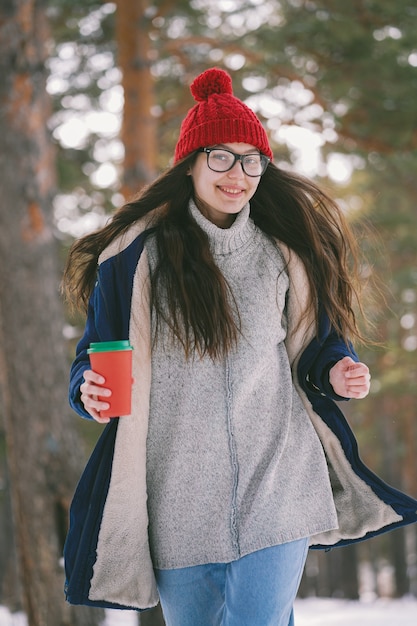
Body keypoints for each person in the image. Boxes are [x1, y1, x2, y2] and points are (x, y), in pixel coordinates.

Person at [62, 68, 417, 626]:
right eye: (221, 157)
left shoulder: (284, 256)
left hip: (279, 479)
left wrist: (338, 371)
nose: (239, 173)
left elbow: (318, 346)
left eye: (252, 159)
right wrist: (90, 391)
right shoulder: (136, 261)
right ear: (191, 164)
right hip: (177, 496)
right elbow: (93, 361)